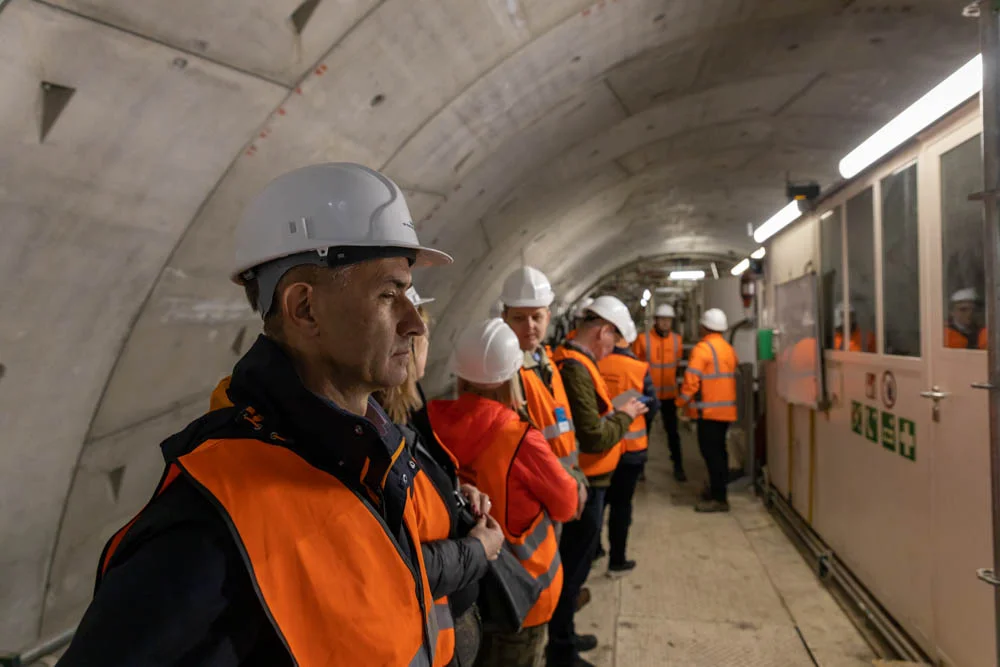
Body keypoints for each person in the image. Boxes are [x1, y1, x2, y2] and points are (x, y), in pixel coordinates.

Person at [58, 163, 453, 666]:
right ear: (304, 308)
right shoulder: (210, 525)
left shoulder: (370, 454)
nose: (415, 322)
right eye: (389, 294)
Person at [428, 319, 582, 667]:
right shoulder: (520, 439)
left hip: (462, 593)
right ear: (514, 375)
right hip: (522, 594)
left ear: (461, 375)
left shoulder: (428, 425)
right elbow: (566, 505)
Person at [375, 286, 505, 667]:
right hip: (426, 632)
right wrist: (479, 550)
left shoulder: (406, 418)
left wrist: (455, 493)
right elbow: (396, 563)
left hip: (447, 610)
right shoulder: (375, 437)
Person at [547, 296, 648, 667]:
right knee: (574, 565)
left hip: (589, 478)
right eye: (613, 341)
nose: (612, 350)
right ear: (604, 331)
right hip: (585, 481)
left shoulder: (578, 363)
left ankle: (566, 635)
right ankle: (561, 649)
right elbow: (593, 435)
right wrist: (625, 415)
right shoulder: (576, 368)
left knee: (578, 561)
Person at [500, 267, 586, 479]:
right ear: (505, 318)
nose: (529, 326)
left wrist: (576, 474)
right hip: (541, 484)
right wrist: (570, 481)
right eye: (519, 318)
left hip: (565, 478)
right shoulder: (504, 372)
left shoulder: (547, 361)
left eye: (536, 317)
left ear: (548, 317)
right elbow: (525, 446)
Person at [596, 315, 659, 573]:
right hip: (631, 452)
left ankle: (593, 550)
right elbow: (652, 406)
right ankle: (617, 560)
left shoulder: (592, 364)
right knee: (622, 506)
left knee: (598, 503)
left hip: (599, 448)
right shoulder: (638, 368)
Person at [677, 308, 738, 513]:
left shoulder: (702, 349)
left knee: (712, 456)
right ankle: (716, 491)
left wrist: (680, 403)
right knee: (720, 454)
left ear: (704, 327)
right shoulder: (728, 349)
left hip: (708, 413)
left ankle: (719, 499)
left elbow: (691, 381)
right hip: (725, 412)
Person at [631, 303, 686, 480]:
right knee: (643, 432)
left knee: (673, 433)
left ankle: (678, 467)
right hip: (647, 394)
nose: (665, 323)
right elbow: (634, 366)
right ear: (656, 320)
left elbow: (677, 364)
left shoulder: (677, 340)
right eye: (662, 319)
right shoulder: (643, 340)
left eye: (668, 320)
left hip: (669, 395)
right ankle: (639, 469)